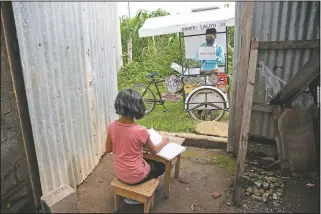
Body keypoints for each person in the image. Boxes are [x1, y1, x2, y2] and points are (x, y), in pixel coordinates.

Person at [105, 89, 168, 205]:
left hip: (119, 172)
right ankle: (135, 196)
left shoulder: (111, 126)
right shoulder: (141, 131)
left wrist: (125, 146)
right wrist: (164, 141)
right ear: (137, 107)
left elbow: (108, 149)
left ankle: (132, 191)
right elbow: (154, 151)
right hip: (135, 176)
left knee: (147, 161)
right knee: (161, 165)